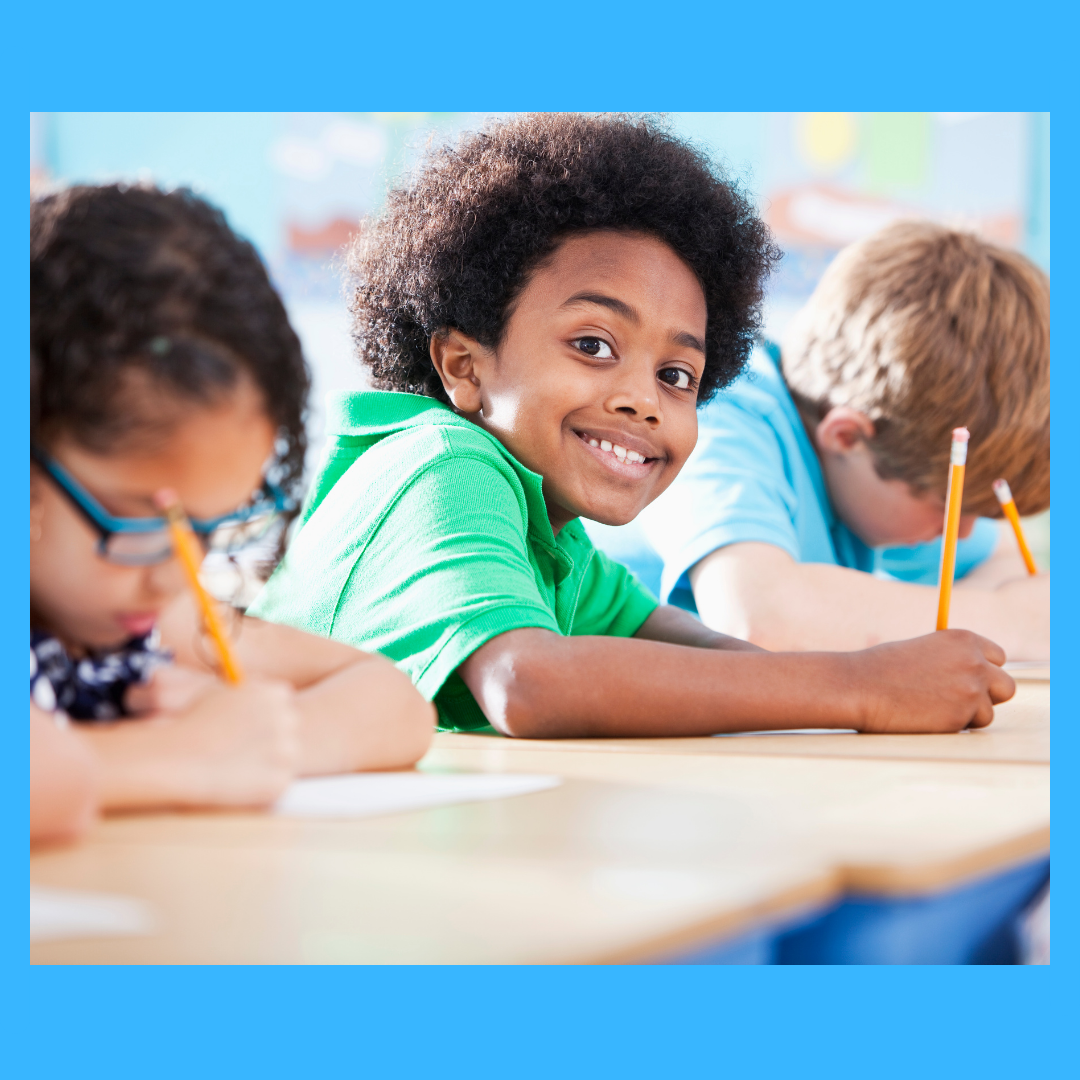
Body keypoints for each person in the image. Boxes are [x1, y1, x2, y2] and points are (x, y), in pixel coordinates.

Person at [251, 113, 1014, 739]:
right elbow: (531, 683)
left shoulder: (553, 535)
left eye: (676, 376)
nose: (643, 400)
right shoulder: (438, 464)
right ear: (463, 365)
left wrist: (887, 680)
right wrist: (858, 686)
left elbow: (718, 658)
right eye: (592, 345)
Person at [30, 184, 434, 826]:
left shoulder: (154, 617)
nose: (177, 570)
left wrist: (269, 739)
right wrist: (186, 755)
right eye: (142, 520)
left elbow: (396, 701)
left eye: (212, 524)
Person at [587, 222, 1049, 657]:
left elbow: (1008, 566)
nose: (965, 530)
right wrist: (1007, 619)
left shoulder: (889, 463)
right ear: (847, 437)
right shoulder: (716, 413)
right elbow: (759, 618)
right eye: (951, 510)